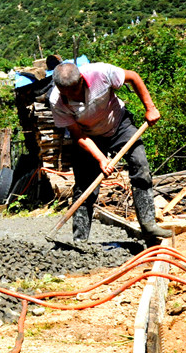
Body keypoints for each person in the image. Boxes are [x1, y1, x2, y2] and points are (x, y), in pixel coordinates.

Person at [50, 62, 171, 244]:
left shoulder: (100, 73)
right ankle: (79, 241)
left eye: (75, 91)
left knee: (140, 165)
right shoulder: (56, 100)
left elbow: (133, 76)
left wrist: (150, 107)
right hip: (88, 136)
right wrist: (100, 158)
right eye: (67, 94)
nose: (73, 97)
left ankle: (148, 225)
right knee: (85, 186)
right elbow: (78, 134)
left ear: (82, 80)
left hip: (119, 124)